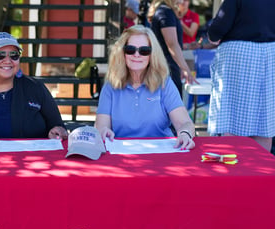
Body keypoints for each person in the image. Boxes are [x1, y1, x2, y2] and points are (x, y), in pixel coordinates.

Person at [95, 25, 195, 150]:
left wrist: (185, 134)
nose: (137, 55)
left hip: (161, 154)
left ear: (152, 55)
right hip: (121, 153)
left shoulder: (164, 83)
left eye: (144, 50)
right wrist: (103, 131)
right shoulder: (111, 85)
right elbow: (100, 126)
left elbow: (185, 123)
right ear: (122, 53)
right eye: (130, 49)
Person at [207, 0, 275, 152]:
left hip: (239, 55)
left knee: (232, 117)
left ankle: (233, 169)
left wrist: (212, 36)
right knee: (264, 119)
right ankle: (261, 170)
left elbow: (216, 30)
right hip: (271, 55)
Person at [147, 0, 196, 96]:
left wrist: (181, 67)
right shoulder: (165, 11)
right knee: (173, 108)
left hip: (165, 68)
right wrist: (185, 69)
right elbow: (172, 44)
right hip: (167, 69)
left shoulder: (164, 10)